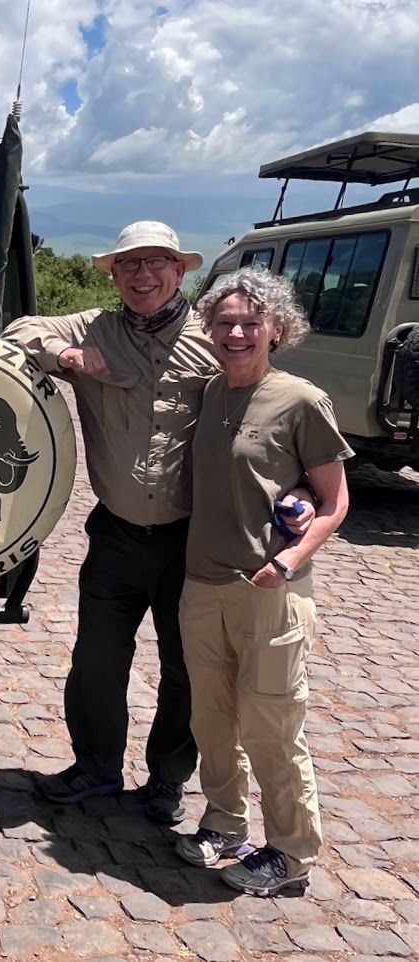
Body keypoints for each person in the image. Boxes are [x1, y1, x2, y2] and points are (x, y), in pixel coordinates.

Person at [4, 221, 312, 825]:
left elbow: (274, 416)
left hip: (192, 540)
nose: (143, 275)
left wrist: (296, 488)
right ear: (114, 274)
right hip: (116, 533)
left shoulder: (217, 340)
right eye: (130, 265)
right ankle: (95, 766)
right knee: (96, 658)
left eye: (157, 263)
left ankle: (168, 780)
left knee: (187, 668)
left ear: (180, 271)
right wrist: (65, 356)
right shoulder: (90, 327)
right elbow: (18, 330)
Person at [174, 268, 350, 896]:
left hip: (269, 590)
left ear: (278, 327)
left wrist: (288, 561)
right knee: (212, 719)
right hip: (202, 584)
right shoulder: (208, 393)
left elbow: (333, 503)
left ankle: (291, 854)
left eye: (252, 322)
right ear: (210, 329)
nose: (238, 332)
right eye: (225, 322)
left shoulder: (300, 399)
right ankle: (224, 824)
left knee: (272, 725)